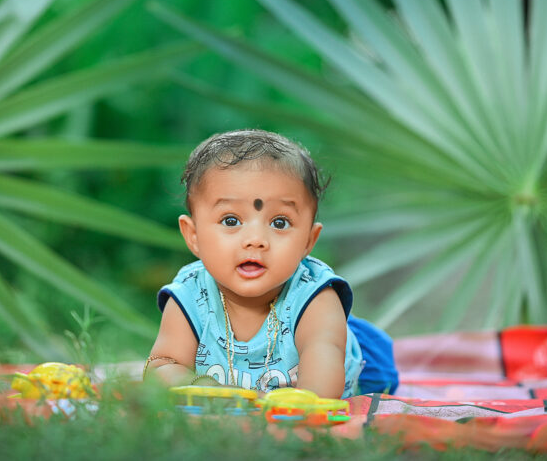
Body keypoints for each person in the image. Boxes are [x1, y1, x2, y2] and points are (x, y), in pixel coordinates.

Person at [144, 129, 397, 399]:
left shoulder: (316, 297)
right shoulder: (190, 295)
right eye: (231, 220)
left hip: (363, 365)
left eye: (279, 223)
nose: (256, 240)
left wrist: (302, 400)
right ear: (193, 236)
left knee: (378, 373)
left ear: (308, 241)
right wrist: (201, 387)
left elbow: (322, 379)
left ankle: (360, 339)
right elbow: (162, 365)